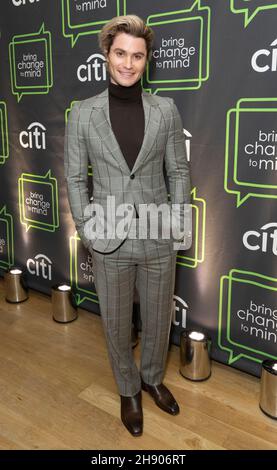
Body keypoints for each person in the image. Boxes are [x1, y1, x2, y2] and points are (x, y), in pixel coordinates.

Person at [64, 15, 191, 437]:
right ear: (106, 55)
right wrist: (87, 229)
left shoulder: (165, 110)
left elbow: (178, 171)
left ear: (146, 60)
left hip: (157, 234)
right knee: (117, 322)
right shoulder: (83, 114)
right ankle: (128, 388)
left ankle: (153, 378)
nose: (128, 63)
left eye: (137, 56)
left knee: (157, 318)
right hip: (109, 236)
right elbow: (74, 178)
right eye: (121, 53)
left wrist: (177, 227)